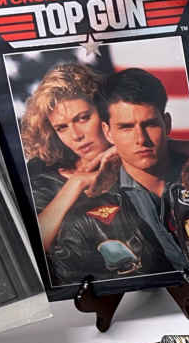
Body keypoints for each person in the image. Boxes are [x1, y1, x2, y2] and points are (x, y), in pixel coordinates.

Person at [49, 69, 189, 284]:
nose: (141, 139)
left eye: (150, 124)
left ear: (166, 123)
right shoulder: (87, 220)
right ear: (108, 132)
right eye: (126, 127)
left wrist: (188, 148)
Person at [17, 63, 121, 253]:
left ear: (104, 111)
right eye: (62, 128)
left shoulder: (137, 158)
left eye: (83, 118)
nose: (76, 135)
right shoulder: (42, 173)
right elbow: (32, 247)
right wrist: (77, 183)